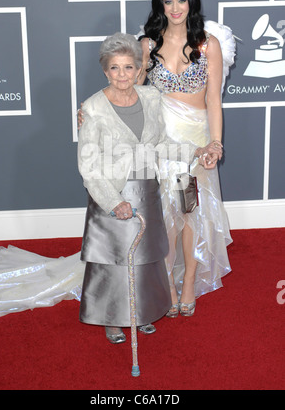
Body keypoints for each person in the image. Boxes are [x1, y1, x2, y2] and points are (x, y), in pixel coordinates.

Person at [77, 32, 221, 344]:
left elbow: (159, 144)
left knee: (145, 255)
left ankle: (140, 311)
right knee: (113, 259)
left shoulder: (150, 98)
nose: (122, 75)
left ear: (138, 68)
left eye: (129, 68)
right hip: (113, 193)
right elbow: (89, 167)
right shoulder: (93, 108)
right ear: (105, 71)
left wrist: (193, 151)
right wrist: (113, 202)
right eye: (115, 68)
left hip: (146, 188)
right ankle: (112, 318)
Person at [137, 0, 233, 317]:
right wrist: (92, 110)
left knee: (191, 213)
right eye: (168, 1)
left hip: (195, 143)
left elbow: (213, 101)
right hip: (162, 143)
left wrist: (215, 144)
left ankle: (189, 281)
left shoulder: (208, 44)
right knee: (166, 218)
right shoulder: (147, 45)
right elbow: (127, 93)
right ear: (159, 4)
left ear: (191, 1)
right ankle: (164, 282)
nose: (176, 8)